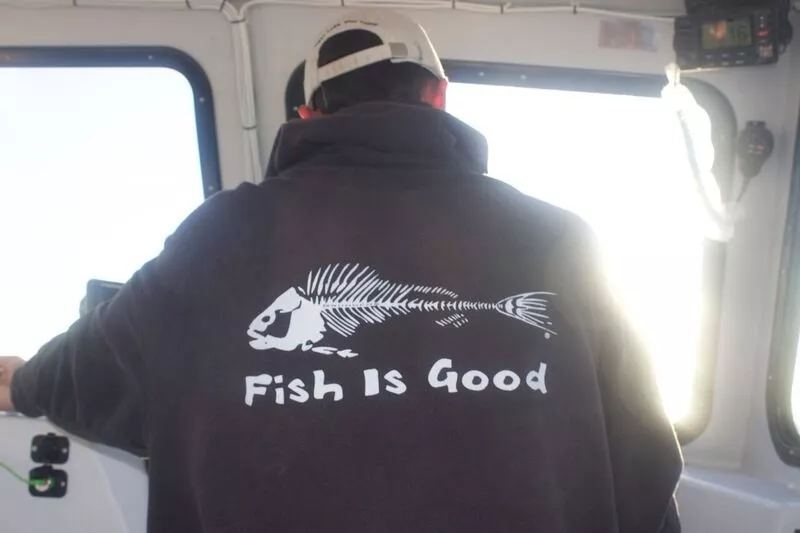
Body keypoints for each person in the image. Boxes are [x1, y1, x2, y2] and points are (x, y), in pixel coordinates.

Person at [0, 8, 682, 533]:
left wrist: (22, 379)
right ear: (439, 97)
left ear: (306, 115)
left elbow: (93, 369)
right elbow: (647, 462)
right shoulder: (563, 239)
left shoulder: (215, 240)